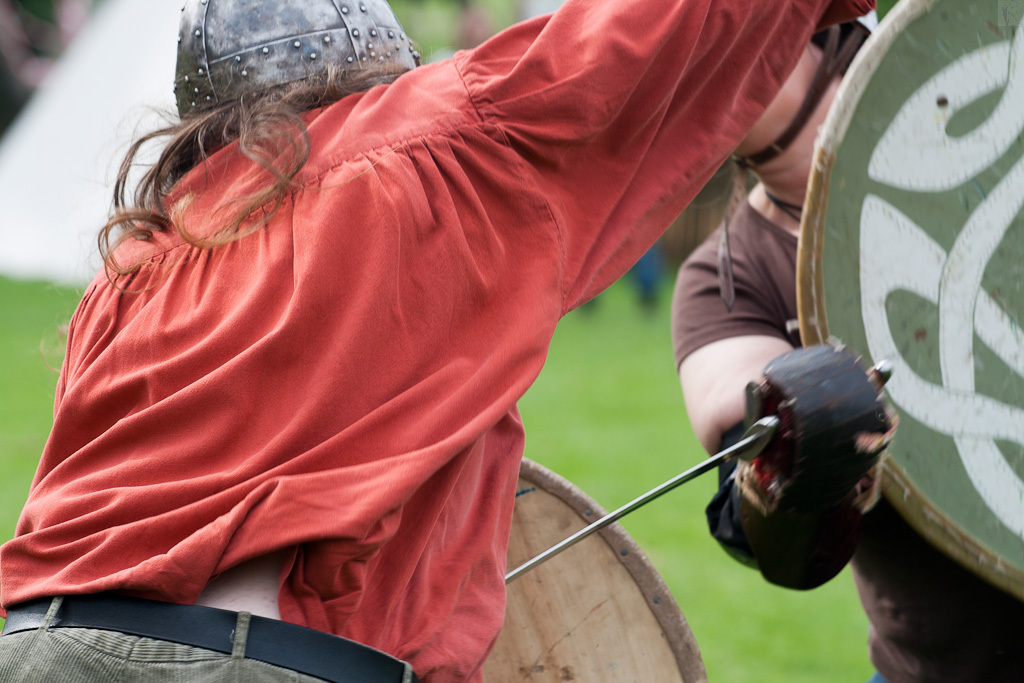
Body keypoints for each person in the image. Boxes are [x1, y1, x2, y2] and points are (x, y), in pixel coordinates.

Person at [0, 0, 874, 681]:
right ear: (376, 76)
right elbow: (635, 41)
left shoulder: (136, 269)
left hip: (32, 644)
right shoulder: (413, 148)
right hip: (244, 661)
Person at [671, 16, 1024, 683]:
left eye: (734, 22)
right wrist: (797, 438)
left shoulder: (997, 120)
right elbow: (752, 495)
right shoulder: (730, 276)